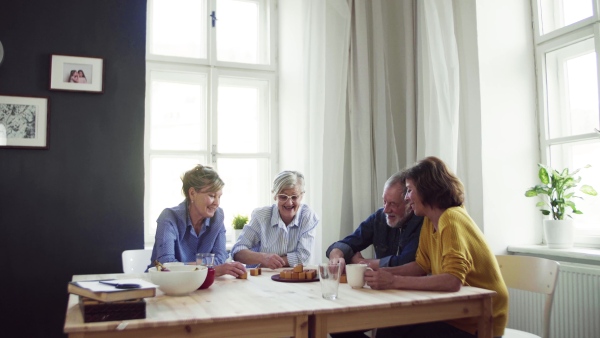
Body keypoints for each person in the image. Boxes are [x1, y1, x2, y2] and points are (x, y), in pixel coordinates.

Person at [365, 156, 508, 338]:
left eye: (409, 191)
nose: (407, 198)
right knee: (389, 328)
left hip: (478, 321)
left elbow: (452, 280)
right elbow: (421, 266)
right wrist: (380, 274)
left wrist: (392, 281)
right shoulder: (428, 221)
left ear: (426, 190)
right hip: (453, 314)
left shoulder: (451, 218)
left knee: (392, 332)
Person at [149, 164, 246, 278]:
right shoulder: (169, 217)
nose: (217, 203)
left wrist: (193, 267)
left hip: (202, 283)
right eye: (211, 195)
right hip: (165, 284)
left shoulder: (218, 216)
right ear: (192, 193)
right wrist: (212, 268)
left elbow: (220, 258)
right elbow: (167, 265)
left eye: (219, 197)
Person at [327, 171, 424, 271]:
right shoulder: (379, 217)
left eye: (393, 204)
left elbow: (407, 262)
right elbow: (350, 242)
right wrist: (336, 255)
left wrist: (364, 263)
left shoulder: (420, 222)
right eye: (384, 202)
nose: (386, 210)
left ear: (409, 203)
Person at [231, 170, 319, 269]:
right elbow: (237, 251)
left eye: (294, 197)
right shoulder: (260, 216)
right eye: (283, 197)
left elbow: (303, 257)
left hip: (293, 279)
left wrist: (272, 263)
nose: (289, 203)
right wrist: (263, 258)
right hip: (260, 279)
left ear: (302, 196)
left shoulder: (308, 217)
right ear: (274, 195)